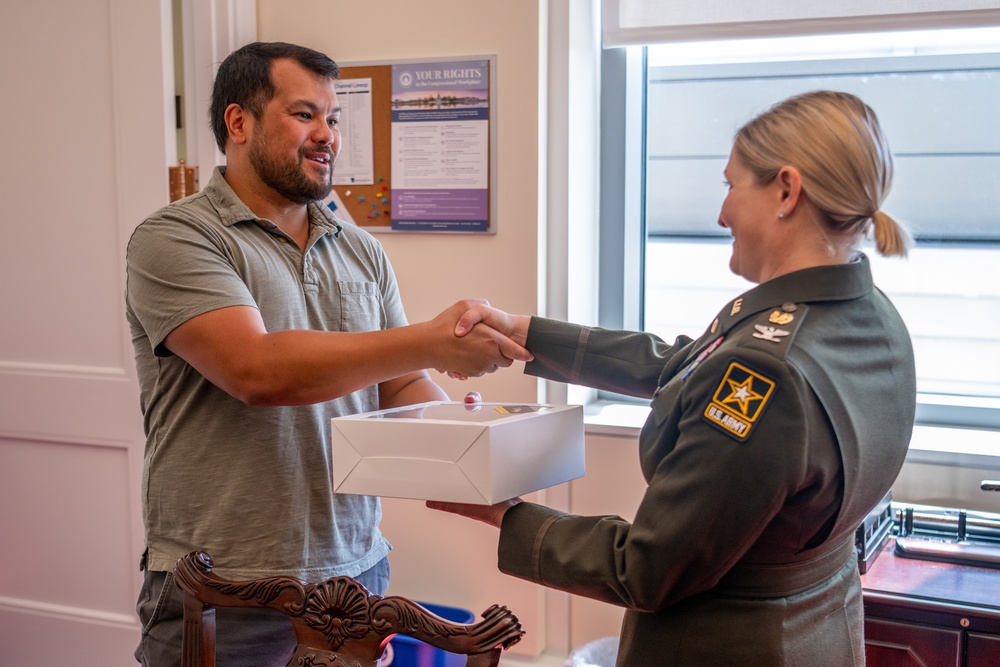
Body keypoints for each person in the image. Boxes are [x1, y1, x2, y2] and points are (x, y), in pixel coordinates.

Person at [430, 90, 916, 665]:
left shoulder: (769, 372)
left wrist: (505, 515)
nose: (721, 213)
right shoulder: (868, 318)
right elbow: (688, 366)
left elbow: (647, 567)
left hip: (728, 645)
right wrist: (526, 334)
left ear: (786, 190)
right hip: (821, 629)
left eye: (731, 185)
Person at [125, 41, 529, 666]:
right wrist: (429, 335)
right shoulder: (176, 238)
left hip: (353, 580)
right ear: (239, 123)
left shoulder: (361, 250)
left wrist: (467, 438)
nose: (328, 136)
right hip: (222, 588)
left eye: (334, 119)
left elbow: (398, 385)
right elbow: (255, 371)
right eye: (305, 114)